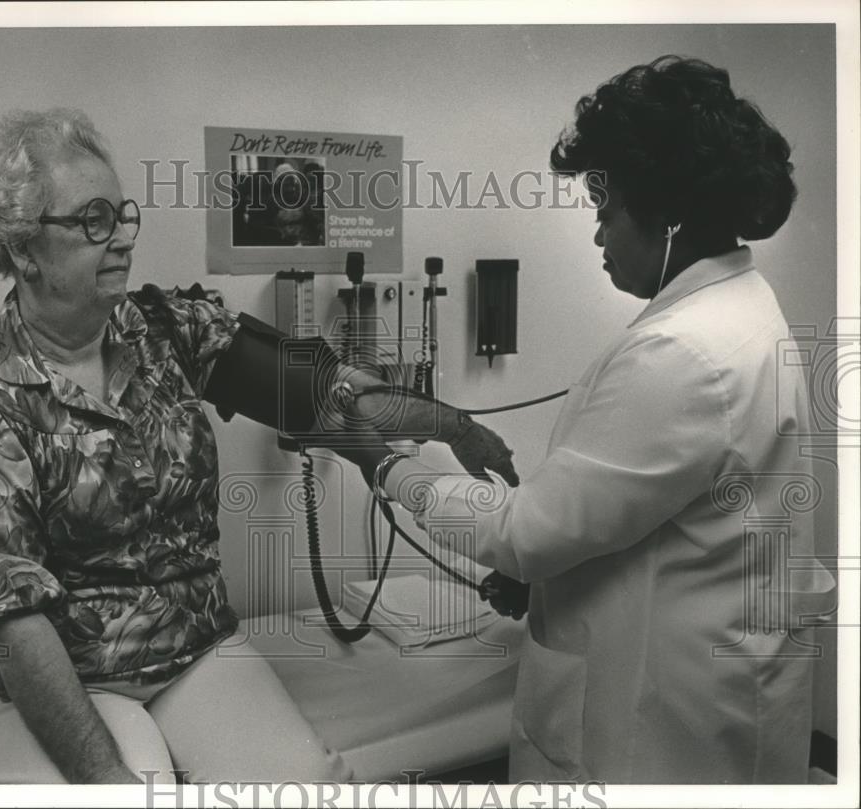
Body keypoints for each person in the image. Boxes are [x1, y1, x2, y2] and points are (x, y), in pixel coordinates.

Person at [0, 108, 514, 784]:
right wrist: (110, 781)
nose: (121, 239)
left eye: (122, 215)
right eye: (91, 221)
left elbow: (321, 392)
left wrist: (448, 425)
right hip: (48, 668)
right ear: (23, 248)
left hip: (188, 646)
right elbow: (17, 627)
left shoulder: (167, 328)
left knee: (309, 790)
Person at [351, 56, 835, 783]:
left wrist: (390, 467)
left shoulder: (681, 351)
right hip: (719, 685)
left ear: (664, 211)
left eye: (605, 212)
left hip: (657, 733)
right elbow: (652, 515)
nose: (599, 235)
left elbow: (520, 534)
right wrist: (542, 578)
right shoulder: (741, 310)